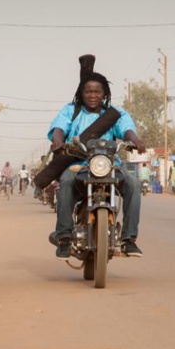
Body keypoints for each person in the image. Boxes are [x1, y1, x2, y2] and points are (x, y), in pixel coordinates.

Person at [48, 71, 146, 258]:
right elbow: (59, 128)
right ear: (81, 93)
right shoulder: (71, 110)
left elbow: (127, 129)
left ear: (104, 94)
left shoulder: (115, 114)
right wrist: (58, 141)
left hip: (109, 165)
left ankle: (128, 239)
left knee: (133, 183)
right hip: (79, 164)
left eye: (97, 92)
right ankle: (64, 238)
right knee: (66, 180)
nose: (93, 95)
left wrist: (135, 140)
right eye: (88, 92)